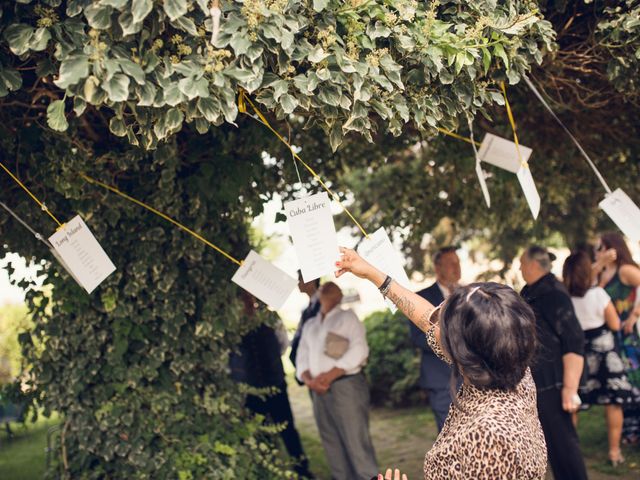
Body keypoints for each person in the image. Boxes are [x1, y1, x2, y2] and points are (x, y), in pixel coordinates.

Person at [336, 247, 547, 479]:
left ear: (460, 348)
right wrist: (371, 273)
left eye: (443, 323)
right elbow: (426, 319)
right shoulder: (512, 370)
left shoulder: (489, 435)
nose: (434, 324)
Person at [295, 282, 378, 480]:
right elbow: (301, 357)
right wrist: (310, 381)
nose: (327, 288)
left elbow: (359, 350)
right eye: (325, 287)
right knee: (331, 442)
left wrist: (329, 376)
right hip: (318, 390)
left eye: (333, 288)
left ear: (339, 295)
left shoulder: (347, 317)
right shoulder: (310, 324)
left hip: (345, 386)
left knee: (356, 443)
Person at [519, 245, 588, 480]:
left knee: (564, 447)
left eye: (521, 263)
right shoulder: (530, 291)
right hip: (538, 383)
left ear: (532, 264)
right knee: (550, 448)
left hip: (556, 385)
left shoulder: (553, 293)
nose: (519, 268)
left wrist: (570, 389)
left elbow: (574, 340)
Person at [230, 293, 313, 478]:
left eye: (249, 297)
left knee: (287, 429)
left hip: (275, 383)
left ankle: (302, 469)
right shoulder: (233, 324)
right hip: (250, 388)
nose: (247, 301)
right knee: (259, 432)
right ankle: (268, 469)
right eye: (243, 298)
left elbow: (282, 345)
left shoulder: (271, 319)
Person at [563, 251, 633, 466]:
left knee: (574, 405)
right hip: (604, 355)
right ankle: (614, 452)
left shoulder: (565, 298)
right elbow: (614, 324)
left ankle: (571, 455)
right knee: (613, 404)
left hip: (578, 356)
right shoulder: (598, 295)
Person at [594, 232, 640, 444]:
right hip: (608, 336)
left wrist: (635, 314)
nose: (598, 252)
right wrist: (598, 264)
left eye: (601, 247)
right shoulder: (601, 272)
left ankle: (633, 432)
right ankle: (627, 433)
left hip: (626, 335)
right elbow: (584, 287)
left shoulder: (625, 270)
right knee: (617, 385)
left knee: (632, 380)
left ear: (613, 247)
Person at [410, 246, 459, 431]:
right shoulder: (423, 298)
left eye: (458, 262)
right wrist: (448, 341)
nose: (457, 268)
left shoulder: (469, 293)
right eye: (451, 264)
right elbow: (417, 338)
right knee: (449, 435)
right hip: (441, 380)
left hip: (473, 377)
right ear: (438, 268)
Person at [289, 271, 321, 383]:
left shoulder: (322, 304)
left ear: (310, 281)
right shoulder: (308, 308)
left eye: (300, 279)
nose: (298, 283)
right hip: (308, 367)